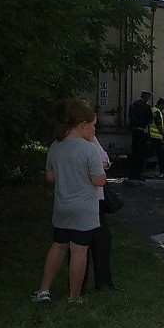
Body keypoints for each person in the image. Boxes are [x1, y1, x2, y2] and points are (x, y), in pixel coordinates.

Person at [32, 99, 106, 303]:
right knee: (79, 250)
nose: (94, 129)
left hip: (62, 206)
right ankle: (74, 297)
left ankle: (44, 291)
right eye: (93, 125)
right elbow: (98, 180)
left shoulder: (56, 146)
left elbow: (50, 177)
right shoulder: (89, 149)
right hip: (84, 209)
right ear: (83, 125)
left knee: (58, 245)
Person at [88, 135, 118, 291]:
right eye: (92, 125)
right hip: (92, 198)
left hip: (86, 199)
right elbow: (104, 162)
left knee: (97, 240)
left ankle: (100, 283)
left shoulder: (62, 143)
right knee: (98, 241)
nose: (94, 130)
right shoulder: (88, 143)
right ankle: (102, 283)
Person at [127, 90, 153, 185]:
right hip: (143, 131)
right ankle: (138, 174)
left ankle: (131, 174)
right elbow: (150, 120)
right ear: (147, 98)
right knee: (141, 154)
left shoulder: (133, 105)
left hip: (135, 131)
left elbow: (131, 116)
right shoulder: (147, 107)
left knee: (134, 153)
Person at [148, 96, 164, 182]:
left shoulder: (153, 110)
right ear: (161, 104)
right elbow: (159, 126)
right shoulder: (157, 112)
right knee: (159, 156)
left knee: (158, 155)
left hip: (152, 136)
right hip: (155, 137)